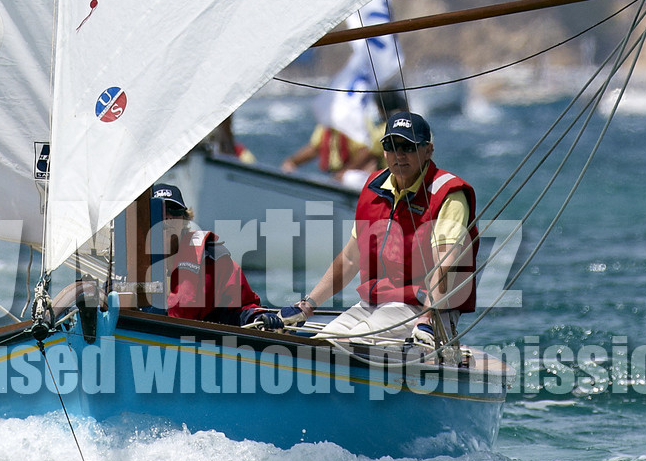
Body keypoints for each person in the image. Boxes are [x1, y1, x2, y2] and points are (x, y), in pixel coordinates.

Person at [287, 110, 476, 348]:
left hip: (421, 307)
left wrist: (427, 318)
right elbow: (349, 258)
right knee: (321, 343)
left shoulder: (448, 194)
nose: (399, 154)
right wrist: (307, 306)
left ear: (428, 150)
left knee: (348, 345)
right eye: (390, 145)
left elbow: (445, 265)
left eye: (408, 146)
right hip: (373, 302)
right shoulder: (373, 187)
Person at [151, 183, 263, 325]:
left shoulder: (212, 259)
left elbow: (244, 305)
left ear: (184, 219)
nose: (167, 217)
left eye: (174, 210)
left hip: (196, 340)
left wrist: (258, 317)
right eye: (158, 210)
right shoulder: (127, 264)